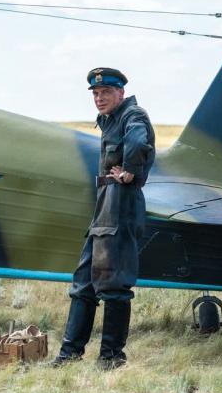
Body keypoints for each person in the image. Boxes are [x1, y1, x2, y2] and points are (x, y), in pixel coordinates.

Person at [52, 67, 155, 370]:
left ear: (120, 93)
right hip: (105, 206)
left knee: (114, 285)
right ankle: (69, 354)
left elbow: (138, 141)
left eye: (106, 92)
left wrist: (129, 171)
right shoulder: (111, 119)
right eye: (96, 93)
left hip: (121, 206)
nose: (99, 98)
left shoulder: (132, 115)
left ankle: (111, 358)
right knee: (83, 283)